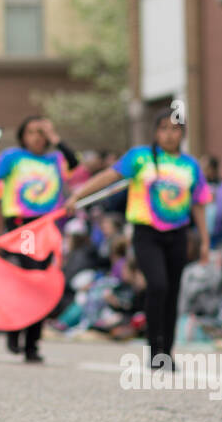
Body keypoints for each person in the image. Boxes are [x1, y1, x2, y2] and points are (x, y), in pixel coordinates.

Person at [66, 109, 211, 370]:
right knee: (157, 286)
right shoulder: (140, 157)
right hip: (147, 233)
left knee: (173, 291)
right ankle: (154, 349)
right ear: (155, 132)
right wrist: (77, 196)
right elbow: (108, 177)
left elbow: (199, 204)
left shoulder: (190, 165)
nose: (169, 134)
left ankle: (167, 351)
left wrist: (205, 241)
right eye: (164, 128)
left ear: (183, 134)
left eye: (175, 129)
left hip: (178, 235)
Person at [0, 115, 82, 363]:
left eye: (42, 132)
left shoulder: (56, 159)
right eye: (32, 132)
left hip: (46, 226)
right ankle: (17, 330)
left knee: (41, 282)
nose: (37, 137)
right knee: (29, 279)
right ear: (23, 136)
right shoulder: (13, 157)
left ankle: (30, 341)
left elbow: (75, 162)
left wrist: (56, 138)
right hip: (22, 226)